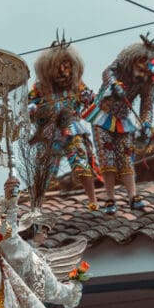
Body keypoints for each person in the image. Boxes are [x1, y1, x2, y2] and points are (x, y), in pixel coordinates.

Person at [83, 34, 154, 213]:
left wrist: (146, 123)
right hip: (102, 117)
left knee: (126, 156)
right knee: (107, 156)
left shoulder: (146, 83)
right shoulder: (120, 66)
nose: (143, 66)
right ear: (133, 59)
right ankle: (110, 198)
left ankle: (133, 195)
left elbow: (147, 105)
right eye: (141, 61)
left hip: (123, 121)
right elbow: (107, 73)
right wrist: (113, 85)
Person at [28, 36, 98, 211]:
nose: (62, 71)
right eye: (59, 66)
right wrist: (32, 108)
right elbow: (29, 104)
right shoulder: (39, 87)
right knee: (44, 170)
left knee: (81, 163)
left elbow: (90, 97)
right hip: (49, 132)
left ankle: (93, 199)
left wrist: (87, 97)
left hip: (72, 129)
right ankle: (37, 205)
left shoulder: (77, 85)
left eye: (66, 66)